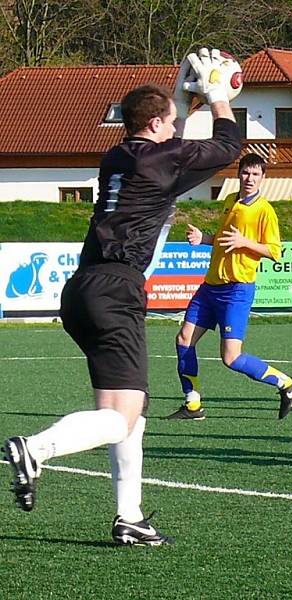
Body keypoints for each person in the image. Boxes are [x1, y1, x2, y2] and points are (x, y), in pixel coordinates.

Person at [3, 49, 242, 545]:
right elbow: (228, 144)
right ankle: (35, 449)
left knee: (126, 415)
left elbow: (166, 135)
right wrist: (216, 93)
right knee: (120, 417)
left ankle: (128, 516)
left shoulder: (120, 154)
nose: (176, 126)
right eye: (172, 119)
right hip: (115, 290)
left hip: (84, 288)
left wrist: (181, 91)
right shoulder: (162, 158)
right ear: (156, 124)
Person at [168, 153, 292, 421]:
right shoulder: (230, 201)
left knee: (231, 358)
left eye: (255, 174)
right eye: (246, 173)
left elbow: (275, 250)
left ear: (263, 178)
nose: (249, 178)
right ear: (238, 174)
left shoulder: (264, 211)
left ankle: (287, 384)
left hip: (236, 290)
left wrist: (245, 242)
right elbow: (223, 239)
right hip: (210, 287)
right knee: (184, 339)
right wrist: (204, 238)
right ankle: (193, 404)